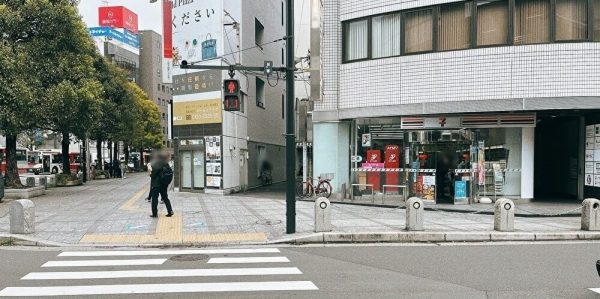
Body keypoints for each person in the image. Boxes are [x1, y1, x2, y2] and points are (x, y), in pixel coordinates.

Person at [149, 153, 174, 218]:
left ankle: (154, 214)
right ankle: (170, 211)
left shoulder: (156, 164)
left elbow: (153, 175)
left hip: (156, 184)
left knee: (154, 199)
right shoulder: (166, 163)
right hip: (164, 184)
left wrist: (150, 173)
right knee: (165, 198)